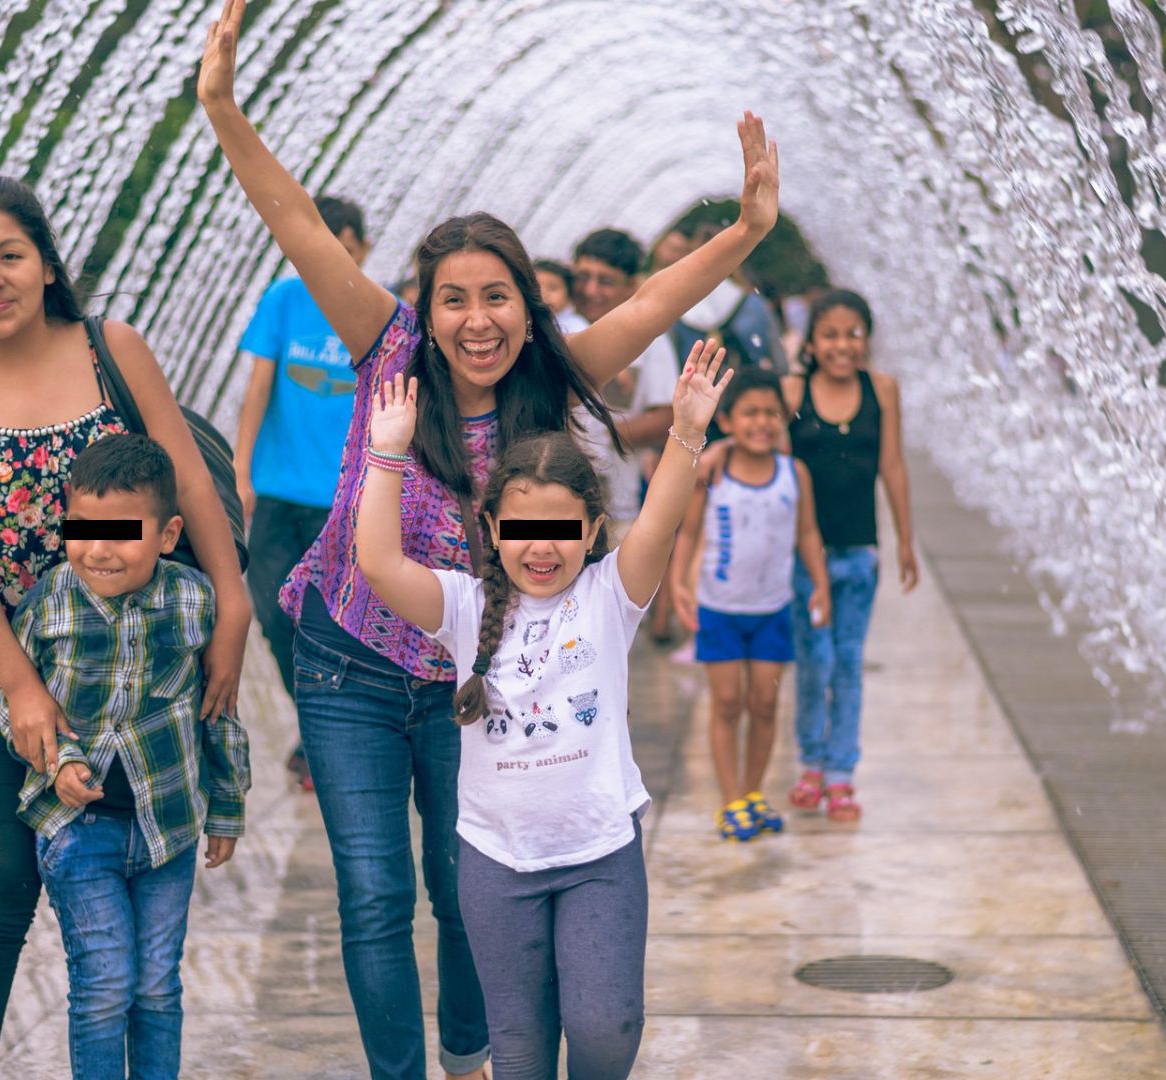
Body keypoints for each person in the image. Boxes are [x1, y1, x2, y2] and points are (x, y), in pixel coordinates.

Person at [197, 3, 780, 1075]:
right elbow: (298, 225)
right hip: (349, 658)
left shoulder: (554, 378)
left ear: (525, 305)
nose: (476, 318)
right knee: (372, 894)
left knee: (459, 892)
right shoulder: (390, 345)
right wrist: (224, 110)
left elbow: (656, 299)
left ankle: (469, 1052)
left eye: (497, 297)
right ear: (426, 303)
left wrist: (743, 236)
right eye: (454, 297)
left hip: (475, 672)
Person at [0, 174, 249, 1079]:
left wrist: (232, 605)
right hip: (15, 664)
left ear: (47, 264)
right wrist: (18, 683)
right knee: (1, 885)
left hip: (149, 661)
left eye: (9, 255)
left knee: (151, 869)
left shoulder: (110, 348)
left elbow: (189, 482)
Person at [353, 342, 732, 1080]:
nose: (542, 548)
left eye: (562, 531)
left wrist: (687, 431)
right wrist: (385, 455)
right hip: (497, 861)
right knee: (520, 1052)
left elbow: (659, 519)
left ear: (590, 531)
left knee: (605, 1027)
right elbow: (378, 563)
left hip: (598, 855)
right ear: (493, 529)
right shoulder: (464, 607)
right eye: (523, 530)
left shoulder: (610, 597)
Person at [0, 433, 250, 1080]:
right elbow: (15, 703)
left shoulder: (194, 601)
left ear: (167, 536)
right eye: (83, 529)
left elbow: (217, 712)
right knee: (105, 985)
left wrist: (226, 807)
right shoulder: (49, 603)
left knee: (158, 986)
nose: (99, 549)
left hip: (169, 829)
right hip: (80, 833)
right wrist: (60, 760)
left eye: (121, 532)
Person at [233, 192, 369, 791]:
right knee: (271, 614)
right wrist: (240, 472)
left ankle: (328, 736)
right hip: (278, 491)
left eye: (342, 244)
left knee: (335, 622)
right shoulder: (284, 300)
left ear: (361, 248)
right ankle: (318, 723)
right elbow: (258, 387)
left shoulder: (370, 307)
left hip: (345, 499)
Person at [669, 368, 830, 841]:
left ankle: (755, 792)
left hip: (773, 610)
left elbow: (807, 533)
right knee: (727, 703)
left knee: (764, 702)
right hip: (719, 609)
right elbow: (690, 530)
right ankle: (730, 798)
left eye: (770, 413)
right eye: (750, 413)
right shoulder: (714, 467)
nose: (761, 422)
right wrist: (680, 583)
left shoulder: (793, 473)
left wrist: (820, 585)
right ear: (730, 420)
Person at [780, 289, 916, 822]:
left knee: (849, 662)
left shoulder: (882, 389)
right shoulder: (793, 391)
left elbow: (893, 465)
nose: (843, 345)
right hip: (802, 556)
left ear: (868, 339)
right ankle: (810, 763)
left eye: (853, 334)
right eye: (831, 334)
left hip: (859, 551)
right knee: (814, 661)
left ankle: (842, 774)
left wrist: (905, 540)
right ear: (811, 342)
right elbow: (778, 471)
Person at [569, 229, 679, 531]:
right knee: (548, 568)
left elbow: (668, 417)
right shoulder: (554, 328)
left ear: (632, 286)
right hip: (553, 512)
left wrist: (591, 439)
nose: (590, 290)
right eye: (583, 276)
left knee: (609, 574)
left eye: (605, 281)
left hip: (616, 511)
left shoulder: (651, 337)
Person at [668, 222, 790, 439]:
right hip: (748, 416)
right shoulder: (755, 305)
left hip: (693, 416)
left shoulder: (677, 306)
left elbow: (670, 372)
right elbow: (780, 365)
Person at [532, 259, 586, 333]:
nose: (543, 294)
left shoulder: (577, 326)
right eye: (536, 287)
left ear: (569, 296)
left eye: (553, 288)